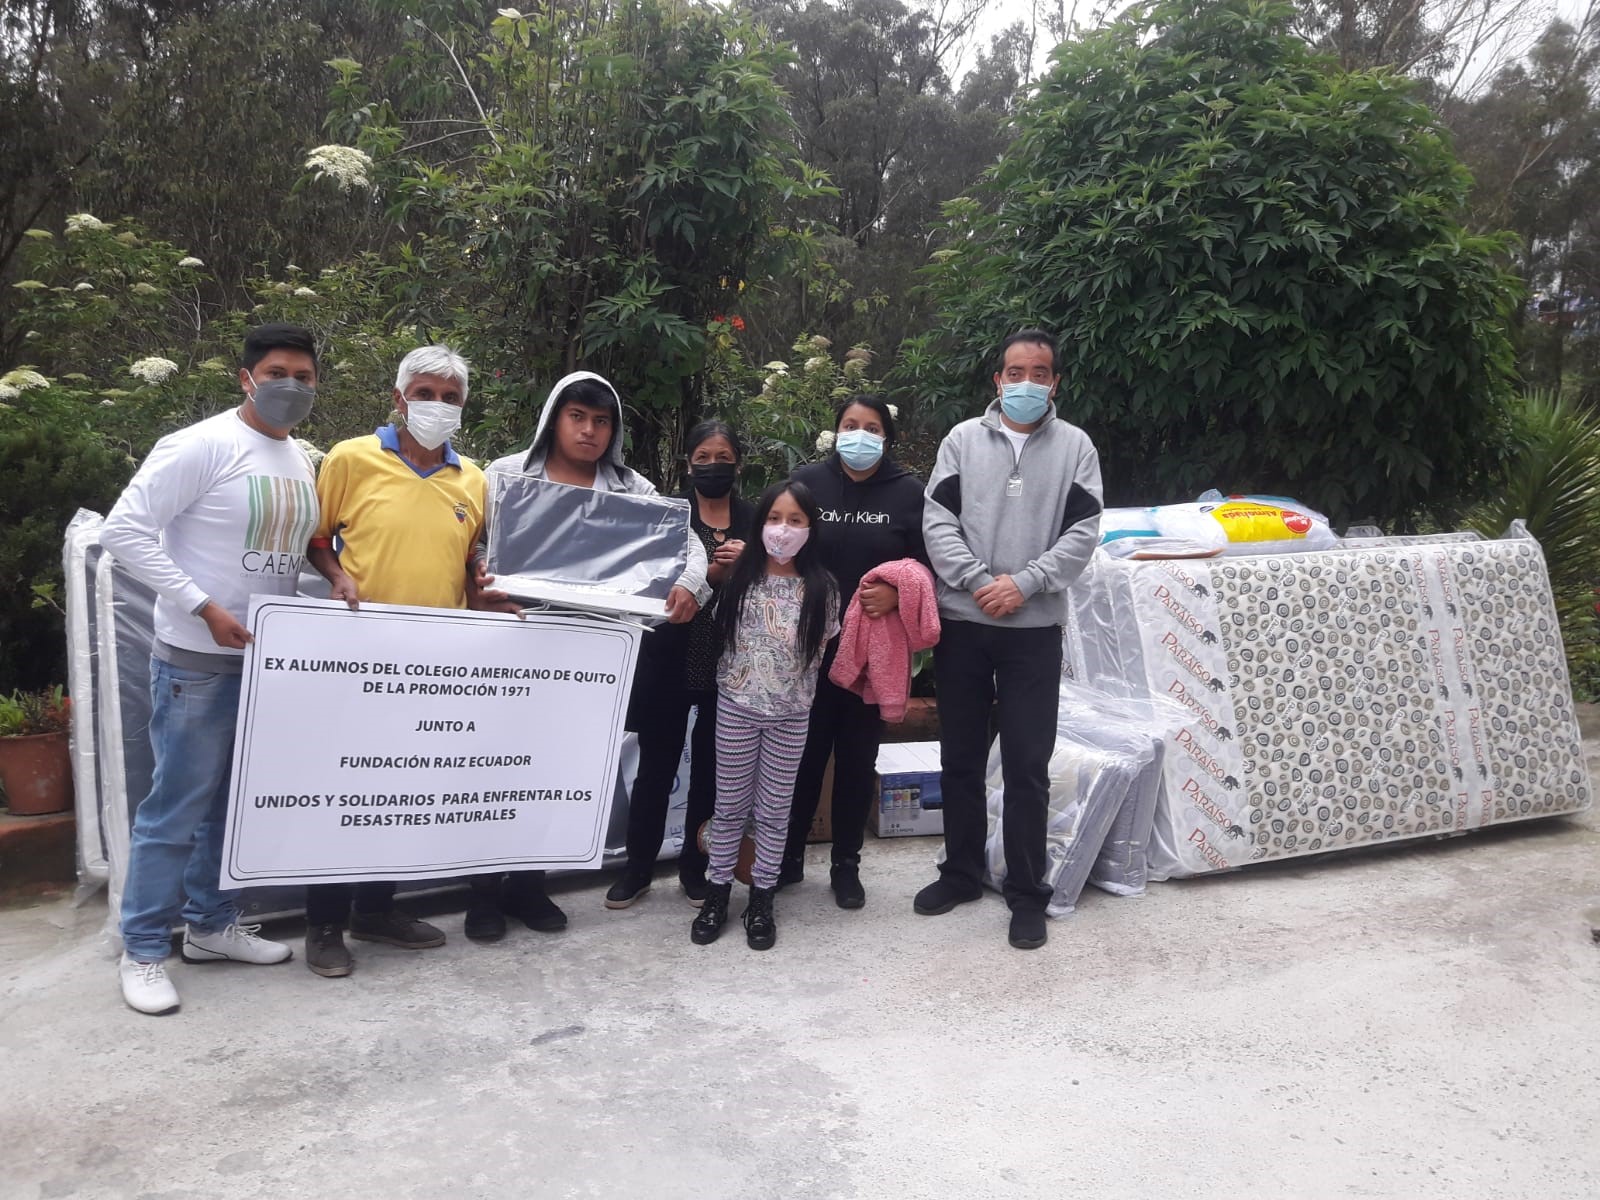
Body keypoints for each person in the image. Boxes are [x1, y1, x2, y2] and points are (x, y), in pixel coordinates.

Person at [99, 323, 322, 1014]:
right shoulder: (201, 445)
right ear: (246, 377)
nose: (291, 386)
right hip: (197, 665)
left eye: (305, 377)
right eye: (278, 373)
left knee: (231, 807)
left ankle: (211, 926)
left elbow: (294, 546)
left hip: (265, 664)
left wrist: (335, 574)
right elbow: (123, 530)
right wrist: (202, 606)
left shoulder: (299, 458)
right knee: (175, 810)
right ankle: (142, 949)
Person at [302, 344, 505, 976]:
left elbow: (471, 558)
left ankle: (375, 909)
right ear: (399, 398)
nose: (437, 406)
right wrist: (337, 575)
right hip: (359, 656)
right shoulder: (350, 458)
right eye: (425, 394)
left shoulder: (473, 480)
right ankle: (324, 923)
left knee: (402, 785)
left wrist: (486, 582)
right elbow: (315, 538)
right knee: (346, 791)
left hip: (436, 664)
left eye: (450, 398)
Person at [482, 371, 711, 931]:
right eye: (577, 417)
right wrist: (483, 577)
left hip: (593, 658)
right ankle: (484, 895)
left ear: (614, 430)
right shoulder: (507, 477)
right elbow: (477, 543)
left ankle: (529, 888)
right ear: (554, 419)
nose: (589, 430)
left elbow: (688, 544)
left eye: (601, 421)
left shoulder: (633, 490)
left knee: (553, 767)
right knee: (498, 764)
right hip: (518, 643)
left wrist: (690, 586)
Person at [913, 329, 1103, 951]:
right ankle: (962, 873)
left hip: (1033, 631)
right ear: (997, 380)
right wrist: (977, 581)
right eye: (1015, 372)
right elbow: (938, 521)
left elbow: (1083, 532)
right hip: (964, 625)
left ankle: (1026, 893)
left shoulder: (1076, 447)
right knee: (961, 758)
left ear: (1055, 382)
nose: (1026, 382)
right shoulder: (962, 440)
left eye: (1039, 373)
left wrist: (1025, 583)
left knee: (1026, 766)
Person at [779, 394, 927, 909]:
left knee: (858, 760)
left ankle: (846, 864)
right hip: (807, 649)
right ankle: (788, 856)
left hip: (870, 657)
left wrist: (899, 595)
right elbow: (781, 545)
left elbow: (927, 567)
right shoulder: (808, 484)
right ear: (836, 431)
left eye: (871, 427)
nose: (859, 435)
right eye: (849, 424)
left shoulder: (909, 493)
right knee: (802, 756)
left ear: (887, 437)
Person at [605, 420, 754, 910]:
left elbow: (775, 580)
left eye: (723, 457)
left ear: (738, 463)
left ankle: (696, 869)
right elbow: (648, 582)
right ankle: (637, 870)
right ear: (688, 463)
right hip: (667, 658)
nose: (714, 466)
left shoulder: (755, 518)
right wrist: (712, 572)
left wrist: (748, 564)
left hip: (728, 665)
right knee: (655, 768)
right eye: (703, 457)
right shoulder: (667, 515)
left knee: (711, 774)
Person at [691, 481, 838, 951]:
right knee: (729, 806)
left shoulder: (823, 588)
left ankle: (762, 896)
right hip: (736, 708)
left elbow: (820, 649)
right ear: (760, 525)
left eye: (795, 520)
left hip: (791, 716)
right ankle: (717, 891)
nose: (783, 529)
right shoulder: (739, 580)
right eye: (774, 518)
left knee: (774, 812)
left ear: (810, 529)